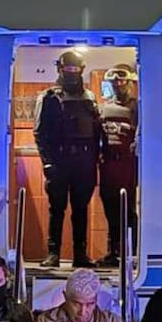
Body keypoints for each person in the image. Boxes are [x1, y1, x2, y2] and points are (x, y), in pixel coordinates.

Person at [34, 49, 101, 269]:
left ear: (81, 70)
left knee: (81, 209)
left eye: (75, 68)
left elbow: (97, 130)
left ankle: (80, 255)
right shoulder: (48, 97)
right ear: (60, 69)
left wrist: (95, 160)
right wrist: (47, 162)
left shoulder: (90, 97)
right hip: (59, 161)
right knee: (57, 209)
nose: (71, 72)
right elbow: (39, 133)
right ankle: (53, 253)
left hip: (84, 161)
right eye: (67, 68)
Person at [96, 64, 137, 267]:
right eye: (114, 82)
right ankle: (113, 253)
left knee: (127, 211)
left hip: (128, 166)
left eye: (121, 81)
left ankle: (131, 253)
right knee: (110, 211)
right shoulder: (103, 108)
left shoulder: (137, 107)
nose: (118, 85)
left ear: (129, 82)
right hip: (108, 165)